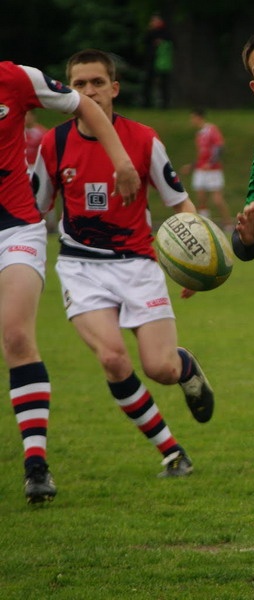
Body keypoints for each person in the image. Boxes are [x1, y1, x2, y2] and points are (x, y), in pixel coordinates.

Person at [32, 49, 215, 483]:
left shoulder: (143, 139)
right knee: (113, 359)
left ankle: (185, 368)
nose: (89, 91)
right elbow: (34, 208)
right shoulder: (52, 143)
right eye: (80, 84)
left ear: (114, 88)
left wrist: (198, 262)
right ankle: (172, 452)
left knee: (160, 369)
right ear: (66, 92)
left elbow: (178, 202)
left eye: (98, 82)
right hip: (80, 266)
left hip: (139, 264)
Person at [1, 60, 140, 504]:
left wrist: (121, 161)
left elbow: (87, 107)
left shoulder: (16, 78)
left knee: (16, 334)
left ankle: (35, 465)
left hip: (15, 229)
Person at [181, 107, 233, 231]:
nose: (191, 121)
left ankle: (229, 224)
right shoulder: (199, 134)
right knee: (201, 199)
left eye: (192, 118)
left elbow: (219, 147)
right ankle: (204, 227)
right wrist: (192, 166)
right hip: (200, 170)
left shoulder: (211, 129)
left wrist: (211, 163)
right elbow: (202, 155)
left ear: (198, 117)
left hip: (213, 170)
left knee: (217, 199)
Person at [25, 110, 56, 233]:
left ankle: (50, 225)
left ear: (33, 116)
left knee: (44, 194)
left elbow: (48, 150)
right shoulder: (18, 132)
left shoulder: (42, 132)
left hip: (37, 168)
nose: (26, 118)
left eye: (28, 115)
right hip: (24, 168)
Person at [142, 14, 173, 109]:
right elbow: (145, 42)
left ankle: (165, 104)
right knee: (148, 83)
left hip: (162, 62)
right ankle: (147, 103)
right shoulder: (150, 33)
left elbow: (171, 44)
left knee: (164, 84)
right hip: (151, 61)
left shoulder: (165, 33)